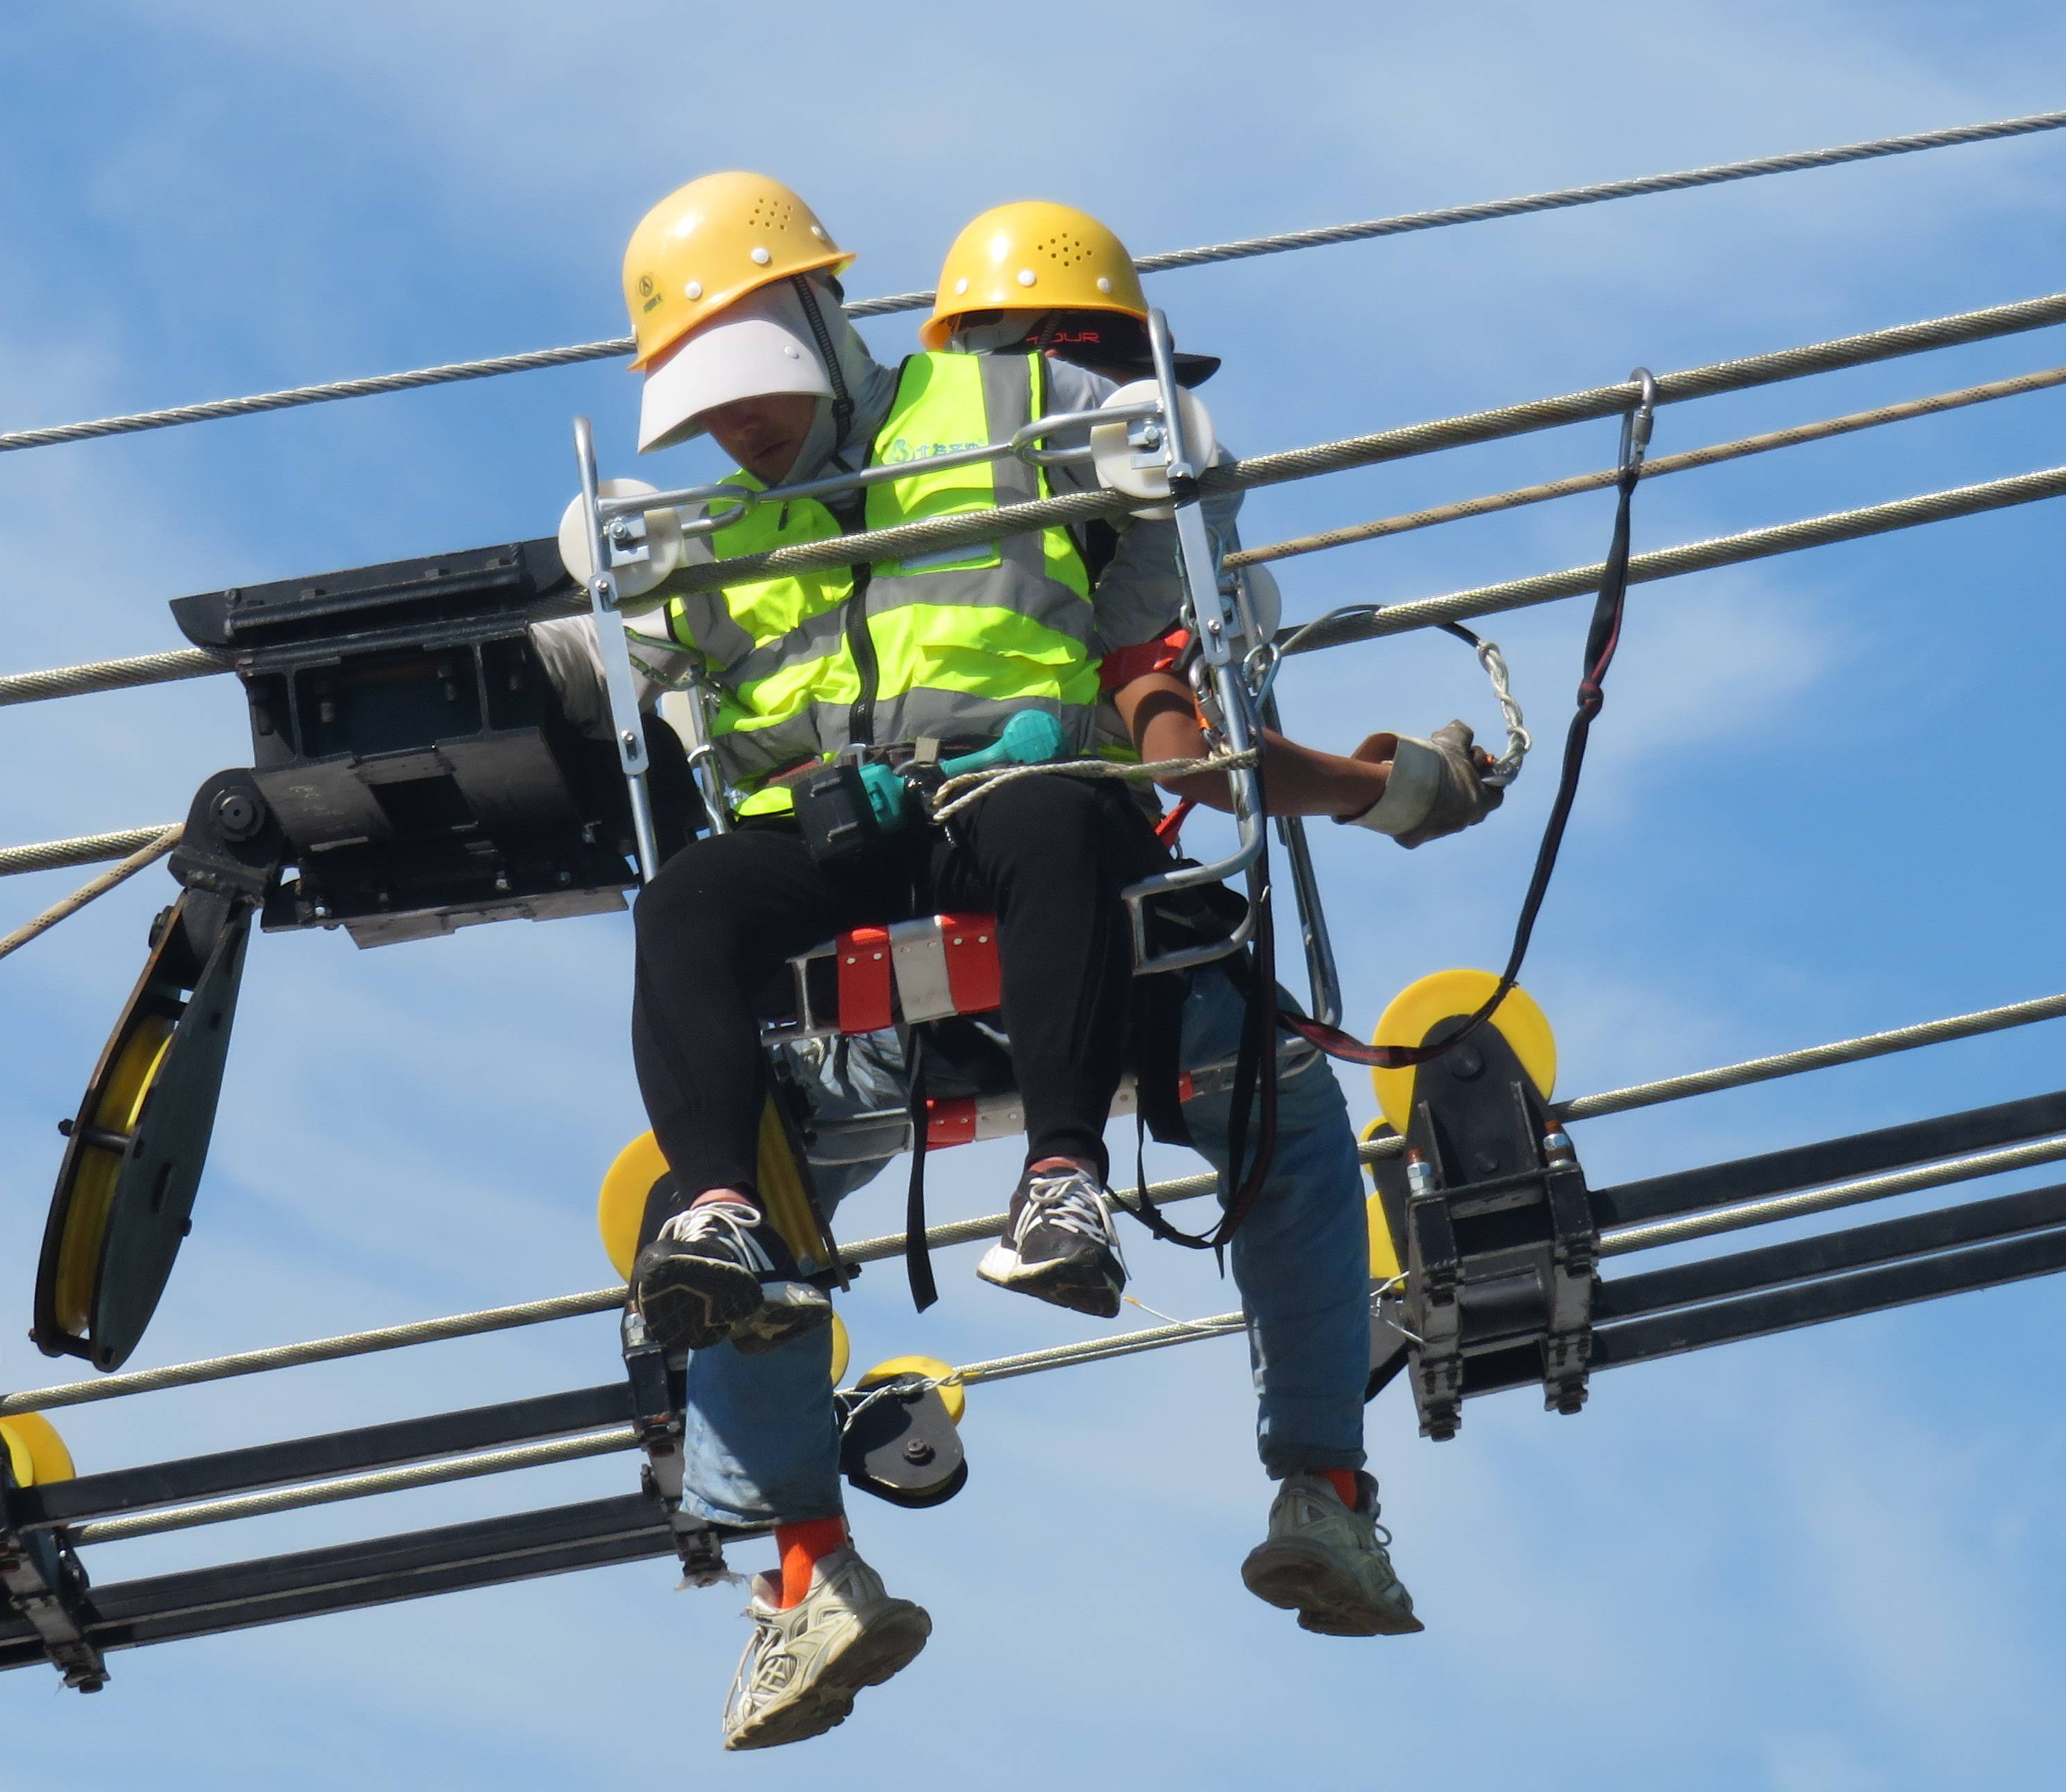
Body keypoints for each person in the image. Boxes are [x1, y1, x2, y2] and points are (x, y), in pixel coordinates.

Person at [564, 175, 1500, 1751]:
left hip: (1038, 871)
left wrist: (1364, 781)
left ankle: (1248, 1430)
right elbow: (1192, 745)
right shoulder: (726, 529)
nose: (736, 433)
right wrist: (1399, 791)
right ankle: (815, 1558)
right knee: (713, 1102)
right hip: (875, 893)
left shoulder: (1052, 450)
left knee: (1112, 888)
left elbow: (1169, 734)